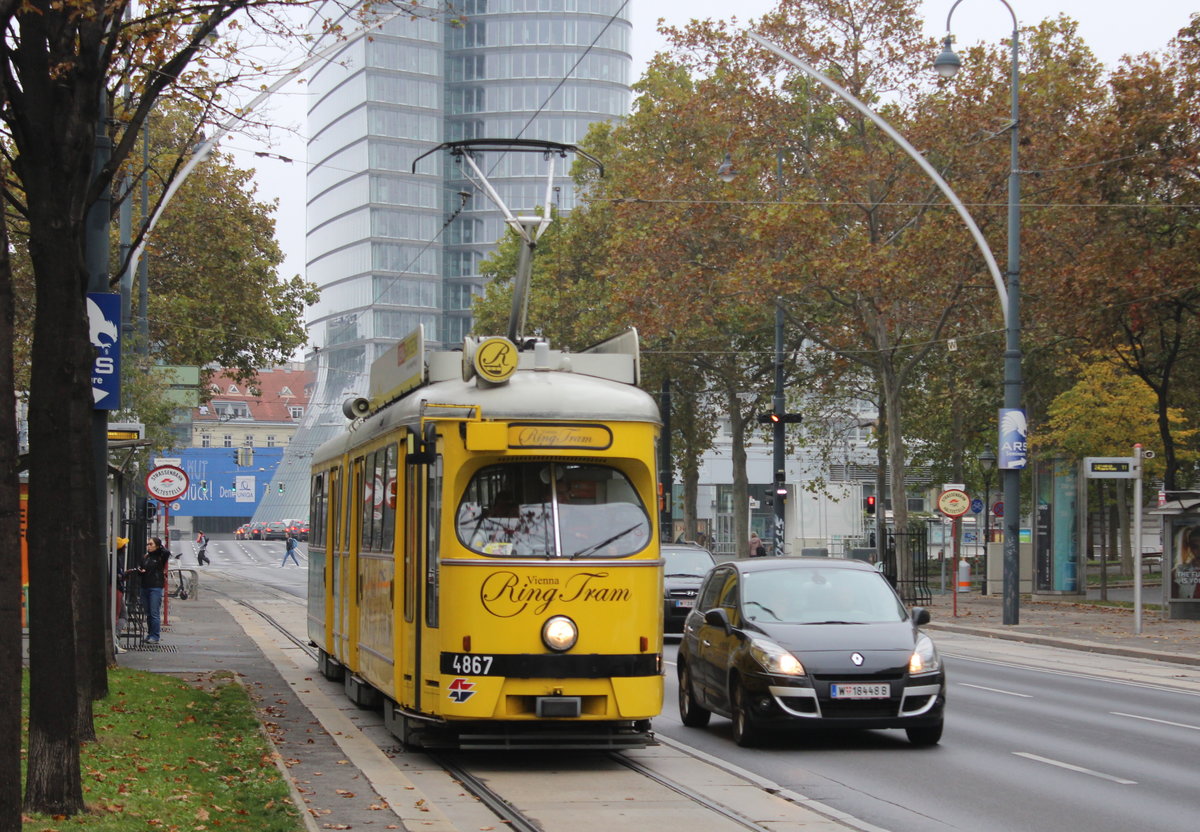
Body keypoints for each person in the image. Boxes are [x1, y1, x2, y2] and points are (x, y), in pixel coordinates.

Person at [133, 537, 170, 643]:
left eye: (151, 544)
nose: (148, 546)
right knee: (148, 612)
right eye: (147, 544)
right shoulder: (146, 557)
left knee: (154, 612)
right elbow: (140, 567)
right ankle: (150, 634)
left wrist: (160, 547)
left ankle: (155, 635)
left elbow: (167, 552)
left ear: (157, 546)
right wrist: (140, 570)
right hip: (145, 586)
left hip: (155, 586)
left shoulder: (160, 556)